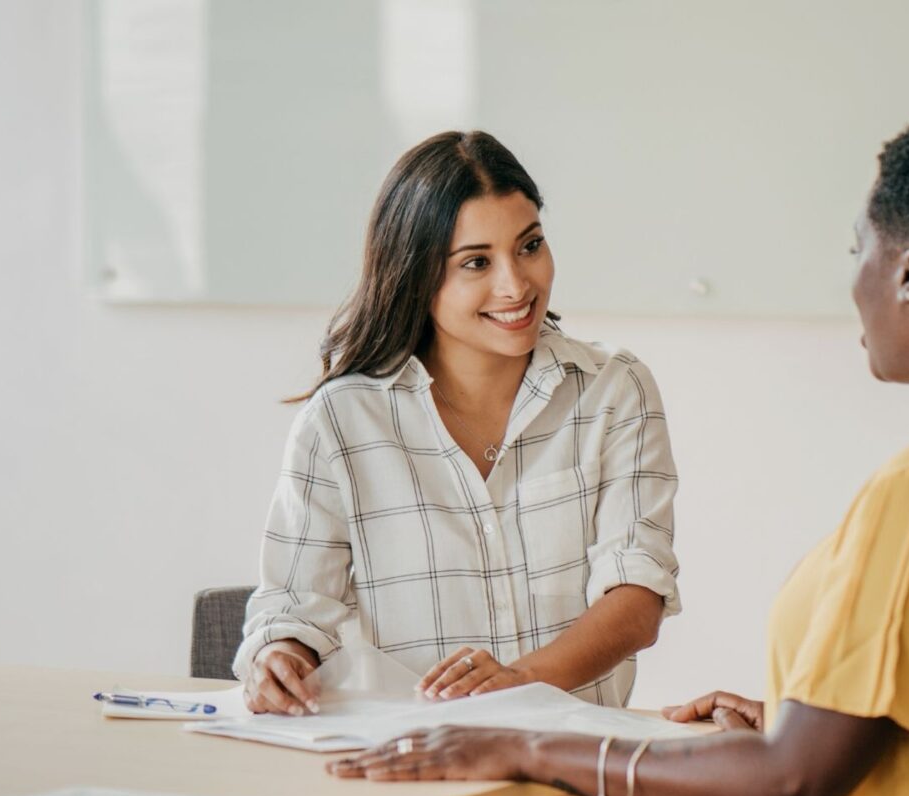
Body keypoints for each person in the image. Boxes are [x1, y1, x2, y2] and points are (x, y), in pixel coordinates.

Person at [328, 106, 909, 796]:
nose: (853, 279)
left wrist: (524, 746)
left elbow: (788, 789)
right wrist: (788, 726)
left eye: (857, 248)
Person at [234, 131, 682, 716]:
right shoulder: (341, 422)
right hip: (408, 763)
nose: (516, 285)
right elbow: (292, 606)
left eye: (530, 246)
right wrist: (281, 656)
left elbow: (636, 597)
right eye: (476, 262)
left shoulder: (613, 389)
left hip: (575, 763)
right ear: (416, 276)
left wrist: (516, 681)